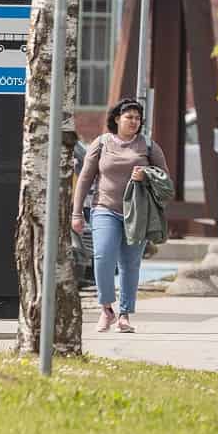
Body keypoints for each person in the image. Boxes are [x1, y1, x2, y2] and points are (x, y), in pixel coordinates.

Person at [72, 98, 167, 333]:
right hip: (105, 208)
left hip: (137, 213)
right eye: (129, 117)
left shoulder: (148, 147)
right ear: (117, 119)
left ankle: (125, 314)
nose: (134, 121)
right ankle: (106, 309)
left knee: (130, 263)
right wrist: (76, 213)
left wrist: (146, 175)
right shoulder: (101, 143)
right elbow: (84, 178)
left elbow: (165, 179)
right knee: (103, 256)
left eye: (137, 118)